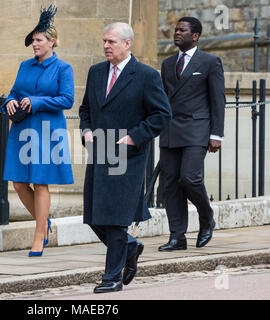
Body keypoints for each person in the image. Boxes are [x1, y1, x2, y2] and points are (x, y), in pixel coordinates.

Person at [79, 22, 171, 293]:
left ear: (127, 44)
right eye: (104, 41)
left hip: (127, 156)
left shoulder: (145, 75)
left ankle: (112, 278)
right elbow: (85, 109)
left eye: (112, 42)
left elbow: (162, 115)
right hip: (99, 153)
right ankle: (131, 247)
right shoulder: (96, 72)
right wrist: (85, 131)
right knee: (95, 217)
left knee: (116, 218)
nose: (106, 46)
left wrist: (133, 137)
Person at [1, 5, 74, 257]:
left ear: (51, 42)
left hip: (47, 131)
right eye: (33, 40)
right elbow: (14, 92)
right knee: (19, 183)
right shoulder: (25, 66)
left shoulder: (63, 69)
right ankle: (44, 224)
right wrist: (8, 101)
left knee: (41, 183)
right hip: (21, 130)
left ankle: (38, 234)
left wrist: (38, 101)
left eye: (39, 40)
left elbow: (67, 100)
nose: (34, 44)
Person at [158, 17, 225, 251]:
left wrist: (217, 134)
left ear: (195, 36)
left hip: (197, 130)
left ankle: (206, 217)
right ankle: (177, 236)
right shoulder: (167, 64)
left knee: (189, 177)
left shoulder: (210, 62)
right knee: (170, 185)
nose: (177, 33)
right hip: (170, 130)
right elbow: (162, 99)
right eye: (176, 29)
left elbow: (218, 101)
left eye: (182, 30)